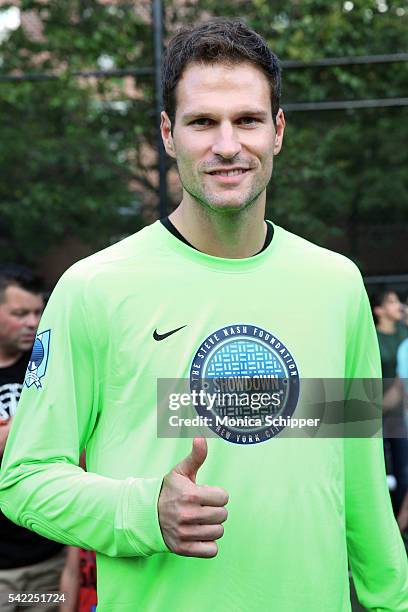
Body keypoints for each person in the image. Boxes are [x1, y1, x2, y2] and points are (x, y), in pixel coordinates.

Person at [0, 18, 407, 612]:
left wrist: (391, 601)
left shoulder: (336, 284)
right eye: (201, 122)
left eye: (246, 119)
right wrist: (144, 511)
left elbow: (361, 480)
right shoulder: (95, 288)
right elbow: (24, 479)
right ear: (168, 133)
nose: (225, 144)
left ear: (278, 131)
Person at [0, 265, 68, 611]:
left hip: (47, 561)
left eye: (37, 312)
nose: (32, 322)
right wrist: (27, 424)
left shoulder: (47, 363)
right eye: (19, 313)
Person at [371, 289, 408, 515]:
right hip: (377, 411)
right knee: (380, 468)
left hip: (398, 412)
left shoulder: (403, 335)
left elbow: (399, 384)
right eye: (392, 302)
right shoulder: (372, 336)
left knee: (403, 468)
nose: (400, 307)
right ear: (378, 310)